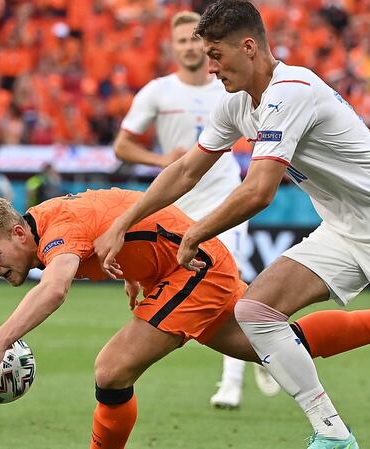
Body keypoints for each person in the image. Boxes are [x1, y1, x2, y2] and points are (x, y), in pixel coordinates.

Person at [92, 2, 370, 448]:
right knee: (255, 310)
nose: (209, 67)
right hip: (342, 227)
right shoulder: (236, 104)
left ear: (248, 47)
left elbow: (258, 192)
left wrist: (196, 232)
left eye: (216, 54)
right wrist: (125, 221)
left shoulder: (291, 90)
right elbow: (185, 171)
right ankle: (332, 434)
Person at [0, 189, 370, 449]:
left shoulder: (56, 230)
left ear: (18, 234)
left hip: (192, 267)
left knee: (111, 370)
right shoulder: (44, 229)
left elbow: (56, 288)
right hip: (177, 271)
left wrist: (0, 340)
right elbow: (121, 220)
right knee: (275, 345)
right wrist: (136, 271)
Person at [114, 10, 277, 408]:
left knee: (227, 280)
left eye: (195, 40)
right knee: (209, 291)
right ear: (174, 47)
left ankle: (231, 385)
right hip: (175, 208)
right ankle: (265, 342)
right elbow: (122, 146)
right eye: (183, 41)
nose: (190, 47)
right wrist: (160, 161)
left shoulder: (231, 85)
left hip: (224, 202)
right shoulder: (157, 92)